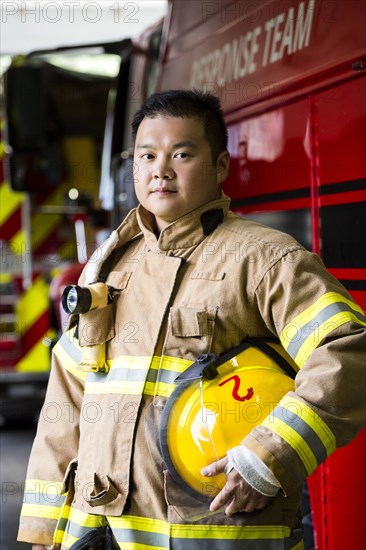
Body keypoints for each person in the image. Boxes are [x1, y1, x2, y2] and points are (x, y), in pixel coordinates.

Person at [19, 90, 366, 550]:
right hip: (100, 533)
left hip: (214, 533)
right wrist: (45, 531)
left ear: (220, 166)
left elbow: (346, 348)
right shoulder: (108, 264)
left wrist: (268, 457)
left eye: (182, 154)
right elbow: (66, 402)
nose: (160, 169)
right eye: (147, 155)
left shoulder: (264, 257)